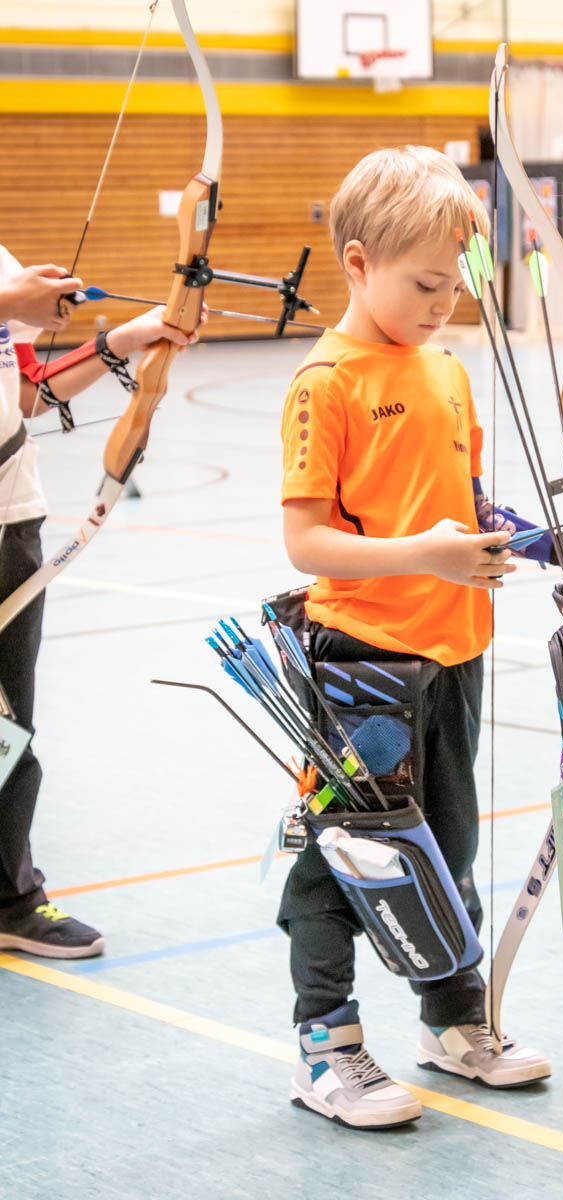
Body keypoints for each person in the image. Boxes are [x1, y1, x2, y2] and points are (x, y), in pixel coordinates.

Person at [277, 146, 552, 1130]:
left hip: (453, 650)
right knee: (347, 854)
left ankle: (453, 1020)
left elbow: (462, 503)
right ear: (358, 263)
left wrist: (530, 538)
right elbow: (307, 541)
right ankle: (327, 1045)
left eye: (456, 286)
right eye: (425, 284)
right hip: (360, 661)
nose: (443, 305)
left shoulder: (444, 369)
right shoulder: (326, 382)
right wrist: (426, 555)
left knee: (446, 844)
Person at [0, 248, 202, 959]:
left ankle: (9, 899)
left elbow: (28, 394)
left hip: (10, 518)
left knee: (9, 728)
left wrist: (131, 338)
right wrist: (7, 305)